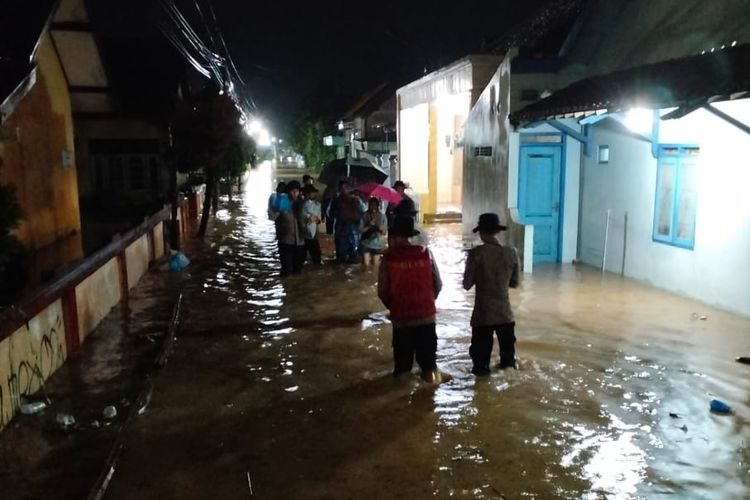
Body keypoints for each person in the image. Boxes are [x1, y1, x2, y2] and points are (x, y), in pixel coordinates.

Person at [378, 215, 443, 382]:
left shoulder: (388, 258)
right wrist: (426, 302)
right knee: (429, 367)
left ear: (395, 236)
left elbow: (382, 291)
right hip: (427, 318)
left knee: (403, 369)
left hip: (402, 321)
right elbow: (438, 284)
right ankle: (430, 404)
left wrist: (395, 307)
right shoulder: (426, 253)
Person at [462, 213, 520, 375]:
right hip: (505, 316)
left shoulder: (476, 254)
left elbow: (466, 284)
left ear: (481, 232)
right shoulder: (511, 253)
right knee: (508, 365)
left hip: (483, 316)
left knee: (480, 369)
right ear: (497, 231)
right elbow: (515, 283)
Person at [275, 180, 306, 277]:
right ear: (288, 192)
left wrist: (313, 219)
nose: (295, 194)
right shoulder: (282, 203)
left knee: (298, 270)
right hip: (286, 241)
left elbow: (311, 217)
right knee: (286, 269)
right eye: (293, 191)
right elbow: (272, 216)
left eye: (297, 191)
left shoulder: (303, 204)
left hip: (300, 241)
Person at [330, 179, 363, 264]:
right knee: (341, 255)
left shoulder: (355, 200)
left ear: (349, 189)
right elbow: (331, 215)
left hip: (352, 228)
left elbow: (361, 214)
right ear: (339, 189)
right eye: (342, 188)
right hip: (341, 228)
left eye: (346, 188)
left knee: (354, 255)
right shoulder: (336, 201)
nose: (344, 190)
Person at [360, 197, 387, 266]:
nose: (373, 207)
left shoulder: (382, 217)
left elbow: (384, 233)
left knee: (376, 266)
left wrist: (379, 227)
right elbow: (360, 231)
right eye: (371, 205)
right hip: (365, 243)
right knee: (366, 265)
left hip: (377, 244)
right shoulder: (364, 215)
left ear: (378, 206)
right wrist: (369, 225)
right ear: (368, 205)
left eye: (375, 205)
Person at [302, 184, 322, 265]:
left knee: (315, 254)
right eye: (312, 193)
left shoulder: (317, 204)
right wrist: (309, 217)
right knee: (306, 253)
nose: (314, 194)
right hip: (305, 233)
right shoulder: (301, 204)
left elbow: (318, 219)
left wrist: (316, 219)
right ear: (307, 194)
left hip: (312, 233)